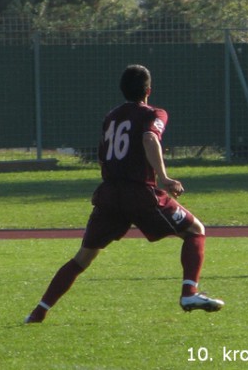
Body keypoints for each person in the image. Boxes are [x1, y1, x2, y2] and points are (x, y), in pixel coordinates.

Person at [24, 64, 223, 323]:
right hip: (140, 193)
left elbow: (102, 154)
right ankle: (189, 293)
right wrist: (163, 178)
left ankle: (38, 312)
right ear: (149, 90)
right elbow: (150, 139)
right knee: (195, 230)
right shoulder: (154, 113)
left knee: (82, 258)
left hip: (109, 193)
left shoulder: (111, 116)